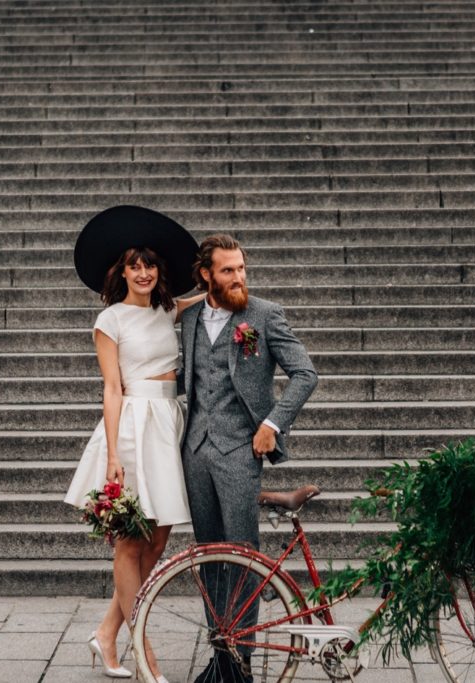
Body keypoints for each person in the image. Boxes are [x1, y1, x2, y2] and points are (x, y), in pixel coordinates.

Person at [63, 206, 204, 681]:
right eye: (134, 265)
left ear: (159, 270)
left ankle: (106, 633)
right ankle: (142, 650)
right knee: (128, 542)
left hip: (168, 422)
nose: (143, 273)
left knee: (158, 538)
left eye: (150, 265)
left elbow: (207, 295)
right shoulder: (111, 320)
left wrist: (228, 280)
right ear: (120, 271)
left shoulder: (168, 308)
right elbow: (111, 387)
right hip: (131, 425)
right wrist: (114, 455)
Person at [180, 234, 318, 682]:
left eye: (241, 268)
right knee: (209, 556)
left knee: (242, 555)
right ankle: (221, 656)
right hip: (196, 451)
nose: (238, 277)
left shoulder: (263, 313)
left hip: (241, 449)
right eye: (227, 270)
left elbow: (305, 373)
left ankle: (240, 665)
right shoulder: (191, 318)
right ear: (206, 275)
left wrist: (272, 424)